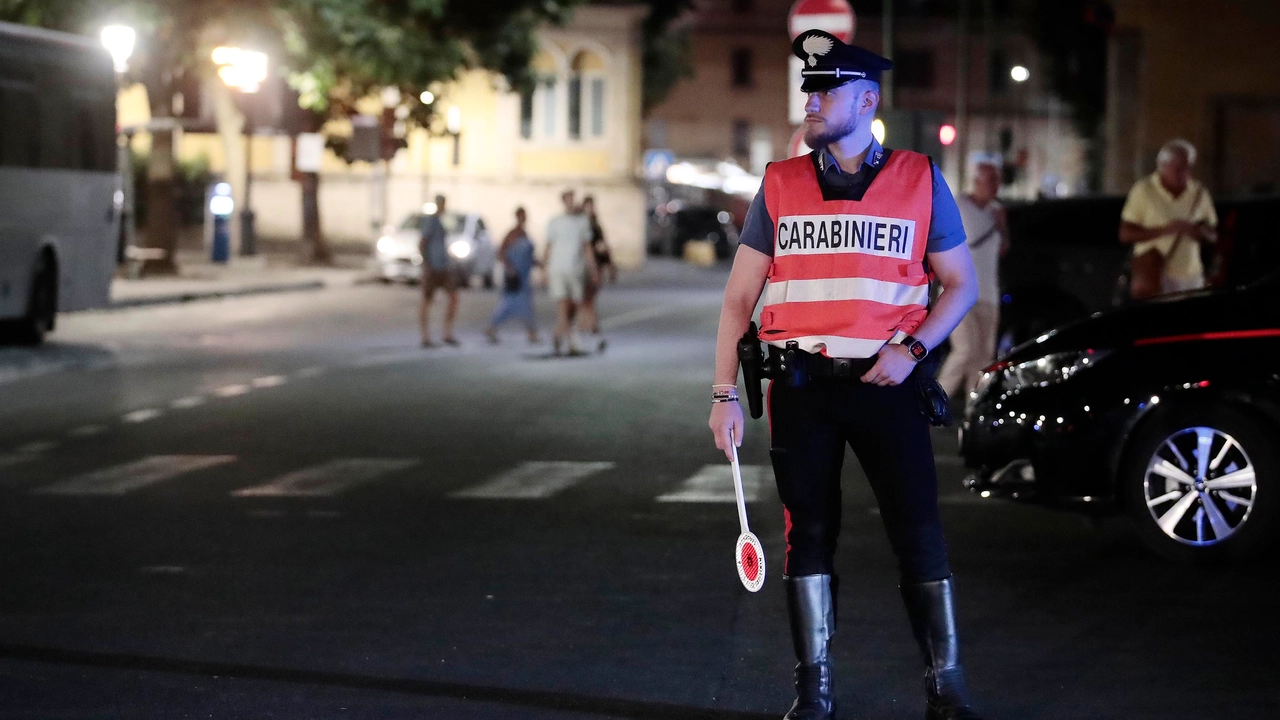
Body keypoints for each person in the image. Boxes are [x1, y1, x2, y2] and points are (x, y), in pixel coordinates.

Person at [707, 30, 985, 720]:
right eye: (809, 86)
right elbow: (739, 299)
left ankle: (945, 689)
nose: (812, 98)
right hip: (802, 388)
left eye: (825, 88)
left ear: (867, 99)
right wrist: (722, 395)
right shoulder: (780, 183)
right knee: (809, 536)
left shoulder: (920, 179)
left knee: (918, 530)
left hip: (887, 387)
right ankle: (814, 692)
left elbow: (961, 286)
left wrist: (913, 352)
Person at [938, 161, 1009, 401]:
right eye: (990, 181)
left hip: (988, 292)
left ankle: (974, 403)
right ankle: (936, 399)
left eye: (997, 181)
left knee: (984, 355)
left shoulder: (996, 210)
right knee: (965, 348)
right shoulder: (959, 206)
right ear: (976, 182)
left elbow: (1002, 249)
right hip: (959, 290)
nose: (995, 187)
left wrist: (1001, 225)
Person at [1119, 139, 1218, 297]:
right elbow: (1125, 234)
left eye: (1188, 168)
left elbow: (1213, 234)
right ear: (1163, 166)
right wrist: (1167, 230)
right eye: (1178, 169)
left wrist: (1198, 232)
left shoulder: (1198, 192)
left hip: (1191, 277)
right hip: (1155, 274)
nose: (1185, 174)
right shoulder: (1144, 191)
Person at [543, 189, 600, 355]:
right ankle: (570, 342)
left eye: (573, 199)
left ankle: (557, 334)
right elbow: (549, 246)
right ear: (563, 201)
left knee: (574, 306)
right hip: (558, 268)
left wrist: (593, 269)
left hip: (576, 269)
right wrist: (544, 269)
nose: (571, 202)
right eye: (568, 199)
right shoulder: (555, 222)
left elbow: (587, 247)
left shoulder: (582, 222)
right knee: (562, 305)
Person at [485, 207, 540, 344]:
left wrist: (538, 263)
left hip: (524, 277)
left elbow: (528, 256)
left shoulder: (525, 234)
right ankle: (492, 328)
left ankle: (531, 332)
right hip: (514, 276)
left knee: (526, 305)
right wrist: (510, 269)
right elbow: (501, 253)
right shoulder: (512, 234)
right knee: (509, 304)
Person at [419, 195, 460, 347]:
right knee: (427, 300)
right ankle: (425, 336)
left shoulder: (442, 222)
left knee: (454, 297)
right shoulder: (431, 221)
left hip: (443, 267)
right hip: (433, 268)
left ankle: (447, 333)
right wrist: (426, 265)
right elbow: (422, 243)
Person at [580, 195, 614, 348]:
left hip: (595, 265)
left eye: (591, 206)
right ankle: (591, 328)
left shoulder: (595, 226)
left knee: (589, 298)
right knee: (585, 298)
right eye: (588, 206)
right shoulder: (580, 225)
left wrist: (609, 264)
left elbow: (602, 245)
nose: (590, 209)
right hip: (583, 265)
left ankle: (590, 327)